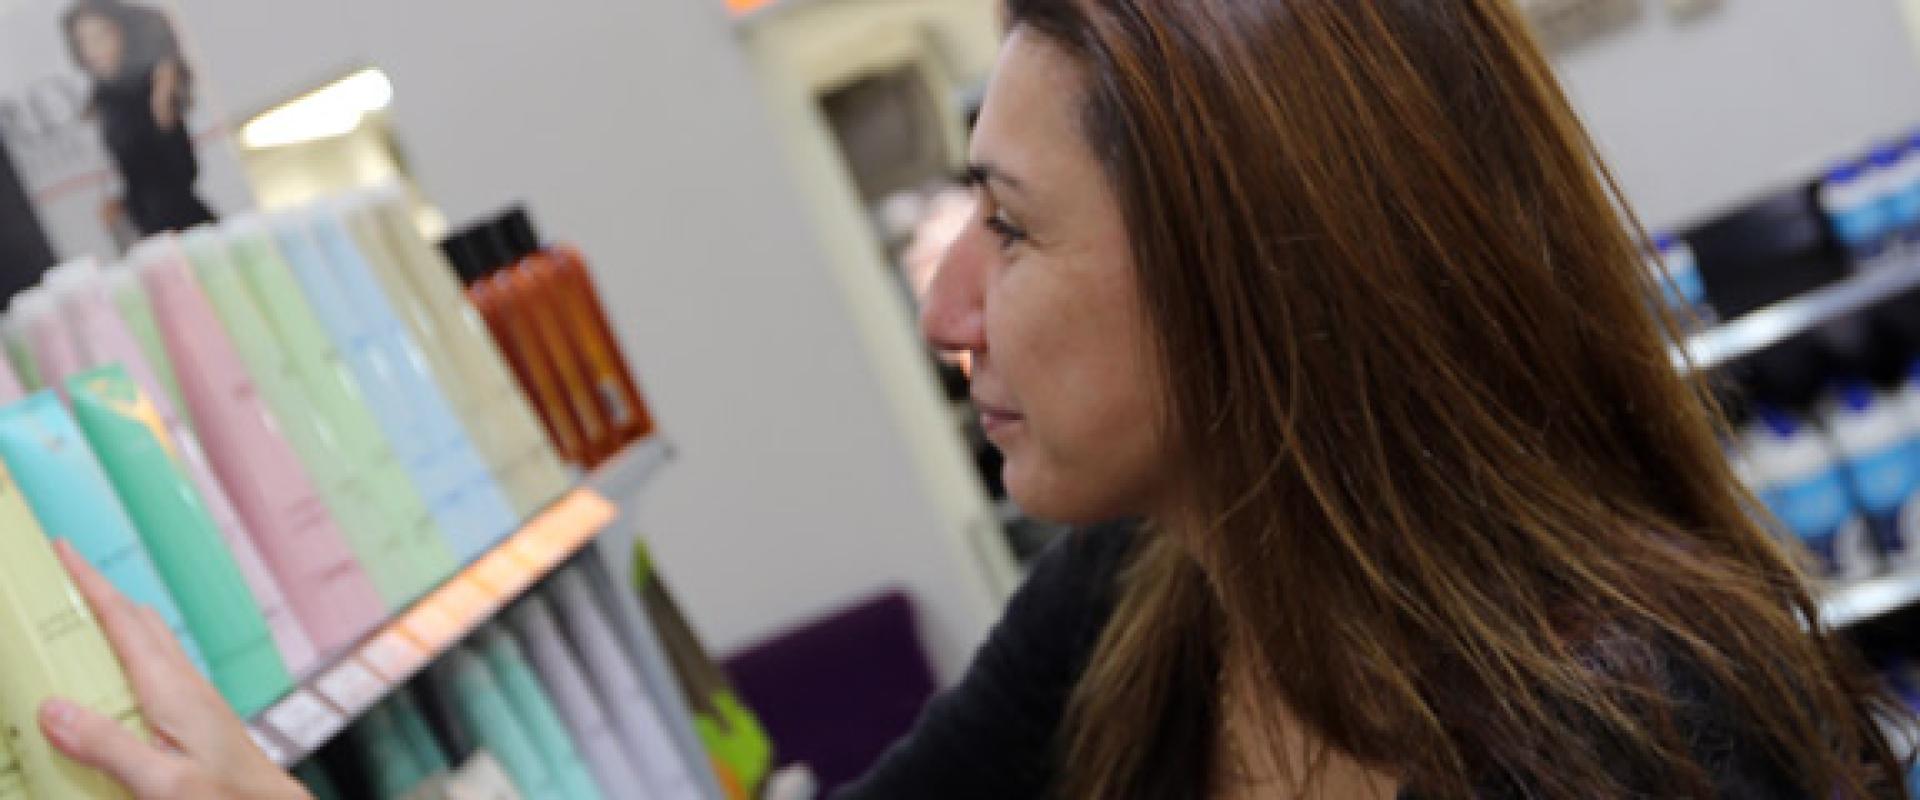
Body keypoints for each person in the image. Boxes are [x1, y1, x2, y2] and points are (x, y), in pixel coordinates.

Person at [32, 0, 1910, 798]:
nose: (944, 299)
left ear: (1256, 284)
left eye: (1005, 228)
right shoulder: (1155, 598)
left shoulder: (1633, 735)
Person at [64, 0, 217, 237]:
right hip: (150, 230)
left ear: (120, 33)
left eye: (100, 37)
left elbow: (180, 171)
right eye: (83, 42)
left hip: (185, 226)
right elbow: (133, 177)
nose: (93, 50)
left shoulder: (151, 86)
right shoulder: (104, 100)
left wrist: (163, 100)